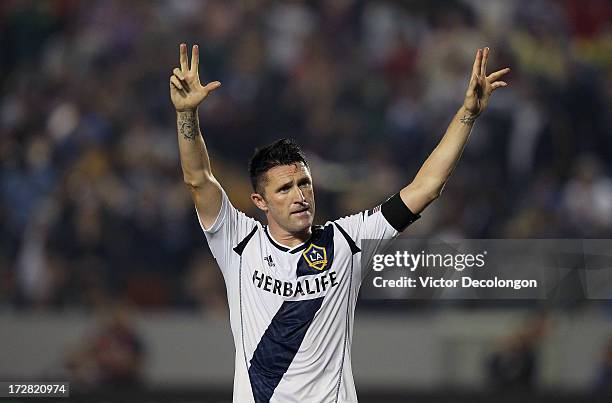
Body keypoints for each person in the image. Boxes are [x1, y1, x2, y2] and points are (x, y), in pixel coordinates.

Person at [169, 42, 509, 403]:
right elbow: (198, 179)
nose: (300, 196)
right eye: (284, 189)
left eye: (304, 184)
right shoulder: (238, 240)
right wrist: (186, 115)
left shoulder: (348, 240)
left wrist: (467, 114)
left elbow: (426, 187)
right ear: (260, 202)